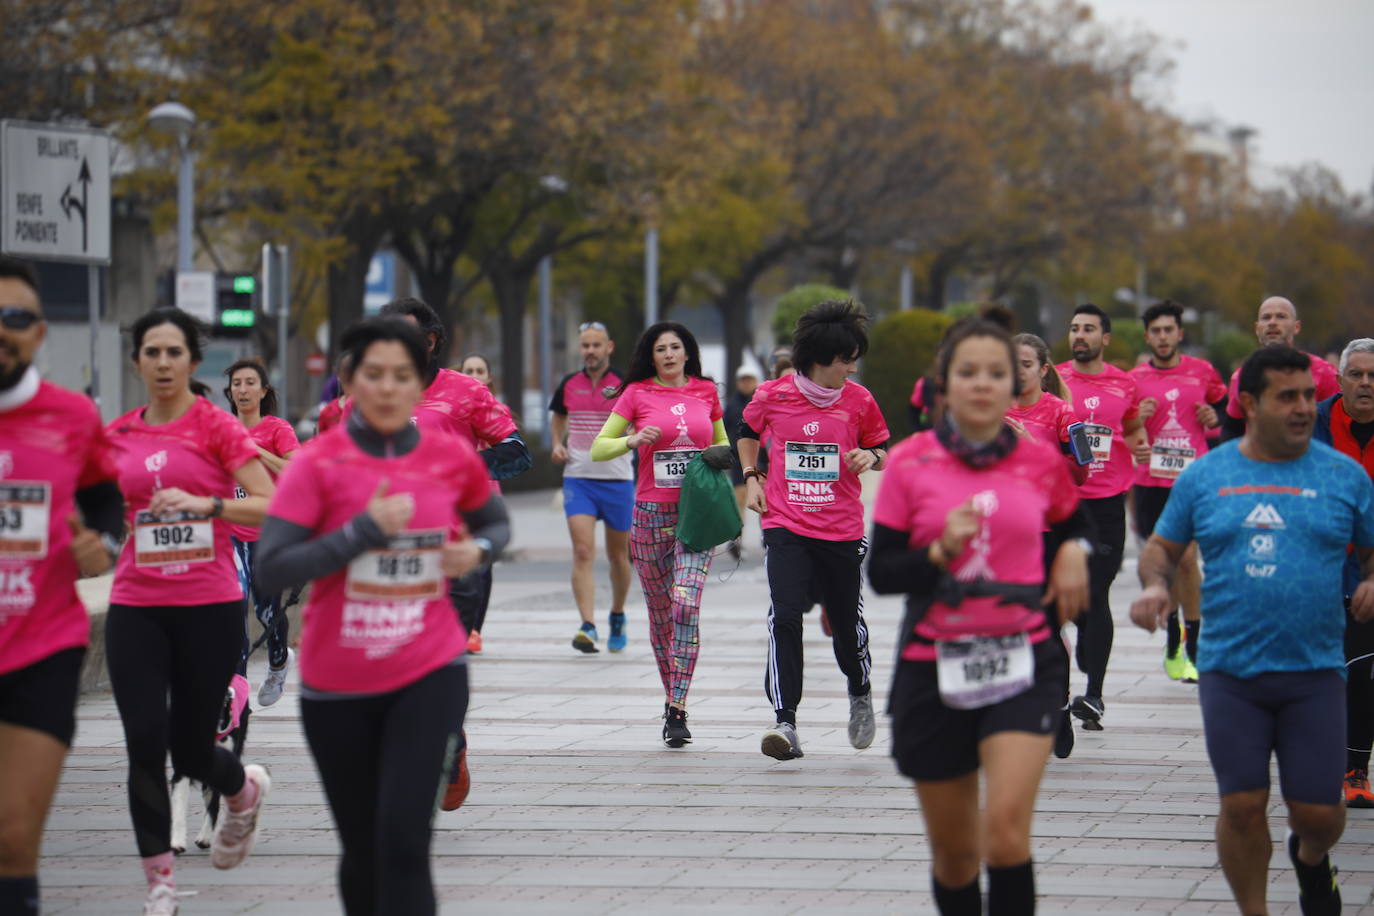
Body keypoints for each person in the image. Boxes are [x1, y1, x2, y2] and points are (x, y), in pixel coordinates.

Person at [255, 317, 509, 916]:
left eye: (404, 375)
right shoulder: (318, 465)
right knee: (363, 850)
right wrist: (362, 532)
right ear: (348, 381)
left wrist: (479, 551)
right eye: (375, 375)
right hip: (338, 680)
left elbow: (494, 521)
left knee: (404, 844)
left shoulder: (448, 454)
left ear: (420, 384)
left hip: (429, 669)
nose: (390, 387)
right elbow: (272, 568)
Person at [1131, 345, 1374, 916]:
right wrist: (1154, 586)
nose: (1303, 408)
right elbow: (1162, 548)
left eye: (1309, 396)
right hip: (1230, 671)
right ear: (1248, 403)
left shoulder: (1343, 476)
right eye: (1286, 397)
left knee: (1319, 815)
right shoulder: (1208, 476)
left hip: (1314, 670)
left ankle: (1311, 859)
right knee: (1241, 805)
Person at [868, 319, 1090, 915]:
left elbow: (1076, 522)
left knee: (1006, 836)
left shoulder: (1038, 461)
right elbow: (883, 572)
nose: (984, 384)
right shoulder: (912, 463)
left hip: (1023, 661)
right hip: (932, 668)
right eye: (969, 372)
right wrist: (937, 551)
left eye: (997, 372)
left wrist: (1072, 551)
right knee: (957, 853)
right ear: (944, 383)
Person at [105, 308, 275, 913]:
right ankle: (160, 886)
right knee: (145, 744)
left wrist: (207, 506)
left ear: (193, 363)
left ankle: (241, 788)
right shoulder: (120, 434)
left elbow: (268, 503)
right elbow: (100, 512)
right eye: (151, 352)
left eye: (174, 352)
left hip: (208, 605)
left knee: (193, 746)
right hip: (136, 605)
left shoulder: (218, 429)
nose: (162, 363)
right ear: (137, 363)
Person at [0, 257, 124, 916]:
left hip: (40, 649)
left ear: (39, 333)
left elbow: (106, 504)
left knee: (14, 840)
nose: (2, 330)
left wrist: (98, 547)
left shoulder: (72, 417)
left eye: (14, 318)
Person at [377, 297, 530, 808]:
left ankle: (450, 739)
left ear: (430, 341)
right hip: (389, 554)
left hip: (454, 550)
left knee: (442, 656)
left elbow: (515, 451)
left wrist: (461, 474)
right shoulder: (372, 393)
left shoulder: (465, 392)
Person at [737, 300, 888, 760]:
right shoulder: (773, 395)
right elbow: (745, 430)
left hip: (840, 529)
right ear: (822, 359)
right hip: (786, 524)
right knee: (784, 617)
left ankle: (859, 689)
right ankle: (785, 722)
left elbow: (882, 445)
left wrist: (872, 457)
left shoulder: (859, 400)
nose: (852, 366)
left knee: (846, 625)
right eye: (847, 358)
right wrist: (751, 477)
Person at [591, 321, 729, 747]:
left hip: (696, 516)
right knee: (661, 616)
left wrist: (719, 460)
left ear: (687, 352)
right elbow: (599, 448)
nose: (669, 354)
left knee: (685, 605)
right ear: (651, 358)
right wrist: (632, 440)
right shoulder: (636, 394)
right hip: (650, 515)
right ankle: (671, 696)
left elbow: (724, 446)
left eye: (675, 347)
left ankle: (678, 707)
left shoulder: (707, 391)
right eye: (660, 349)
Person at [1056, 303, 1148, 731]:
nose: (1080, 335)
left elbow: (1131, 429)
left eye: (1089, 329)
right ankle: (1086, 648)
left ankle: (1093, 694)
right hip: (1065, 504)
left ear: (1104, 339)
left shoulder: (1124, 384)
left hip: (1108, 502)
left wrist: (1139, 444)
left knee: (1099, 590)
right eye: (1075, 328)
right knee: (1073, 599)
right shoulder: (1054, 379)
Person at [1127, 301, 1227, 684]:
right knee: (1163, 563)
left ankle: (1196, 644)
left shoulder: (1202, 372)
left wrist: (1213, 418)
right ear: (1147, 336)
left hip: (1192, 480)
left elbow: (1225, 411)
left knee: (1187, 559)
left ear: (1179, 334)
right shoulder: (1133, 378)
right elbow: (1124, 430)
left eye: (1169, 330)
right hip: (1151, 482)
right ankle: (1173, 636)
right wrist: (1139, 421)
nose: (1163, 337)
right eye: (1156, 331)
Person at [1313, 338, 1374, 808]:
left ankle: (1355, 769)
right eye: (1356, 374)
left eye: (1373, 376)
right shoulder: (1313, 424)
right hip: (1318, 563)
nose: (1366, 383)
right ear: (1340, 380)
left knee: (1362, 668)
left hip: (1370, 566)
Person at [549, 322, 634, 653]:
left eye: (596, 345)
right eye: (585, 345)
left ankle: (617, 613)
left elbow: (642, 419)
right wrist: (557, 442)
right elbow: (558, 415)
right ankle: (587, 624)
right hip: (579, 478)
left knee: (618, 557)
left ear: (609, 347)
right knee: (583, 551)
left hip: (617, 480)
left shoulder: (625, 384)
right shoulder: (569, 383)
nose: (590, 351)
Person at [223, 359, 301, 705]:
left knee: (267, 611)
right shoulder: (220, 428)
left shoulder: (276, 428)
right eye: (236, 383)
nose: (242, 389)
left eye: (249, 383)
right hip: (230, 535)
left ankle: (279, 660)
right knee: (234, 605)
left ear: (263, 390)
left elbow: (296, 470)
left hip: (269, 533)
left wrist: (256, 452)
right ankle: (236, 684)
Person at [456, 351, 518, 653]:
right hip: (455, 497)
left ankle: (475, 630)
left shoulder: (497, 410)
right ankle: (458, 624)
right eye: (468, 370)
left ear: (488, 378)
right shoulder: (449, 410)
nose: (474, 375)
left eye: (480, 370)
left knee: (483, 563)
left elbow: (510, 452)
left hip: (487, 495)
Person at [1219, 297, 1340, 442]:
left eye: (1281, 316)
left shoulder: (1324, 371)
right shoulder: (1241, 375)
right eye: (1266, 317)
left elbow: (1338, 424)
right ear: (1257, 329)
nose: (1272, 322)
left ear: (1297, 327)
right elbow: (1233, 429)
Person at [724, 364, 760, 560]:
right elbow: (723, 427)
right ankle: (736, 541)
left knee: (765, 501)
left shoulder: (762, 399)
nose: (746, 383)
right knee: (739, 501)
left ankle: (769, 538)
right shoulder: (732, 404)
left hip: (761, 460)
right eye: (743, 379)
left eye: (749, 379)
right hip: (738, 460)